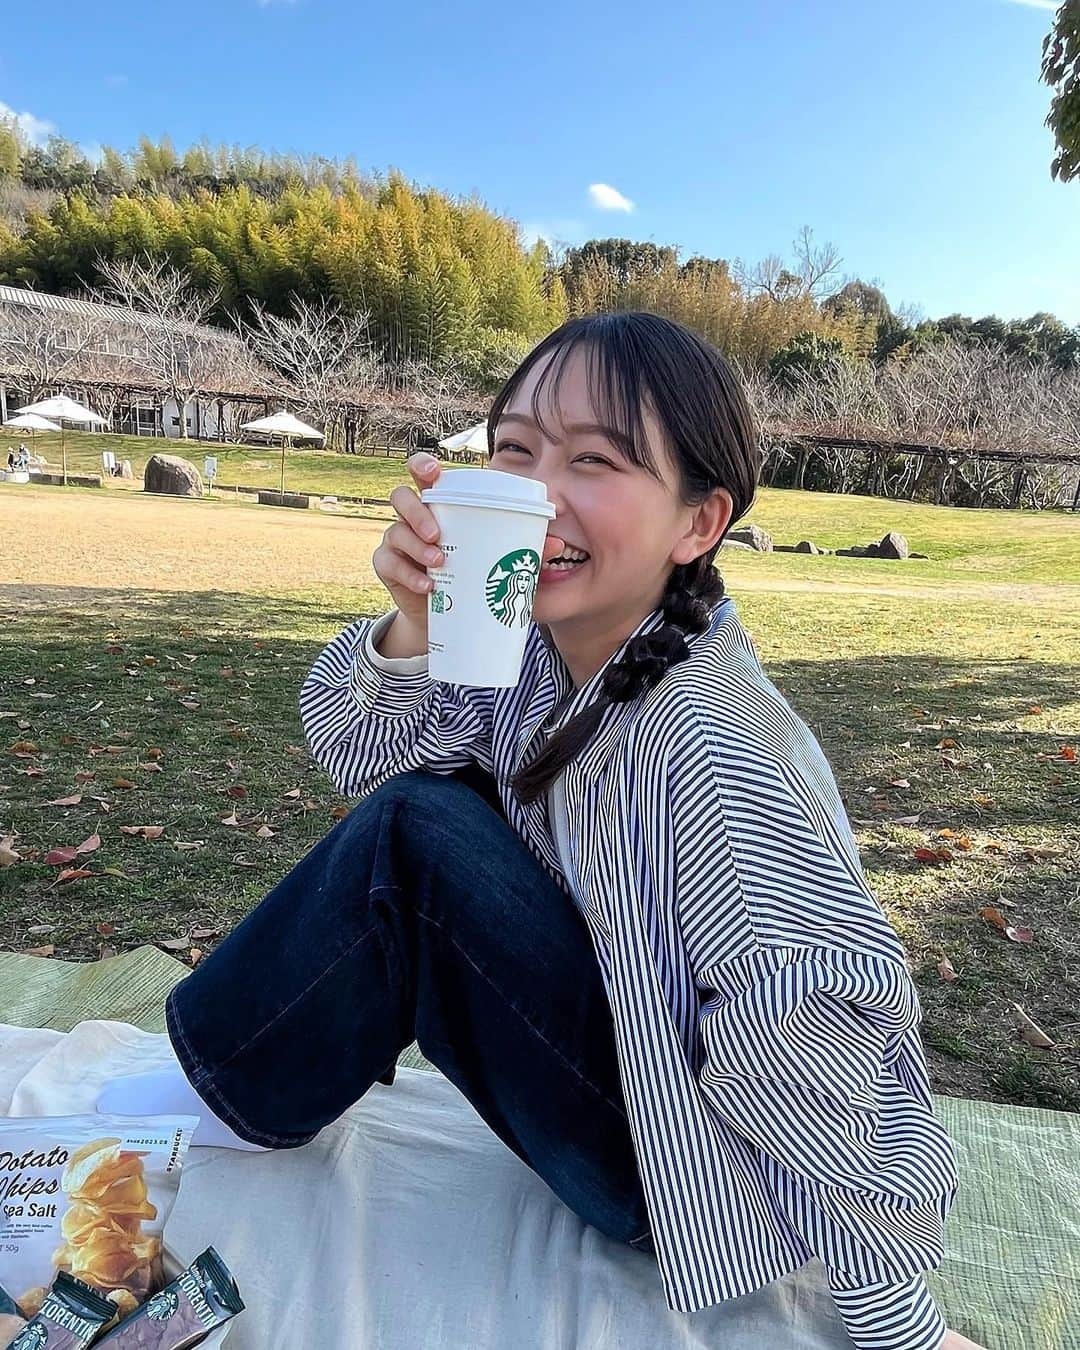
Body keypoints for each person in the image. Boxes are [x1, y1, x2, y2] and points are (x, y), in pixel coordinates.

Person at [97, 312, 983, 1350]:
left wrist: (900, 1326)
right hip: (621, 1061)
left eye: (595, 460)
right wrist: (413, 624)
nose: (539, 490)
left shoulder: (714, 745)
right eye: (515, 450)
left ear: (698, 524)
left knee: (420, 840)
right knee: (433, 807)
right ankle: (228, 1078)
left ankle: (218, 1087)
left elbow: (810, 1029)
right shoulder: (523, 645)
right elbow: (354, 748)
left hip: (676, 1171)